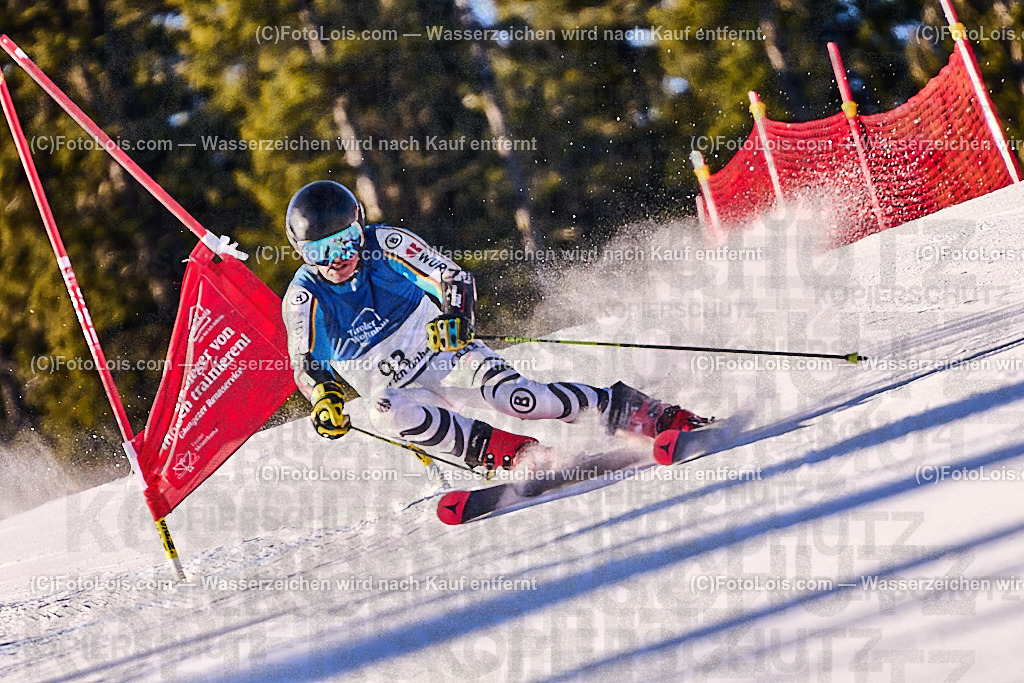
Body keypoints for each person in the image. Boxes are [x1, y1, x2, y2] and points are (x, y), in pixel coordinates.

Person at [281, 180, 706, 471]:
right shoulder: (304, 298)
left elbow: (452, 278)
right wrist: (324, 401)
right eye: (320, 251)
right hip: (398, 389)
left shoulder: (385, 243)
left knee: (520, 398)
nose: (337, 258)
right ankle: (518, 456)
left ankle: (646, 414)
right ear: (300, 252)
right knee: (383, 412)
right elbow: (307, 363)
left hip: (443, 356)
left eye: (345, 241)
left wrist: (455, 318)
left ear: (360, 229)